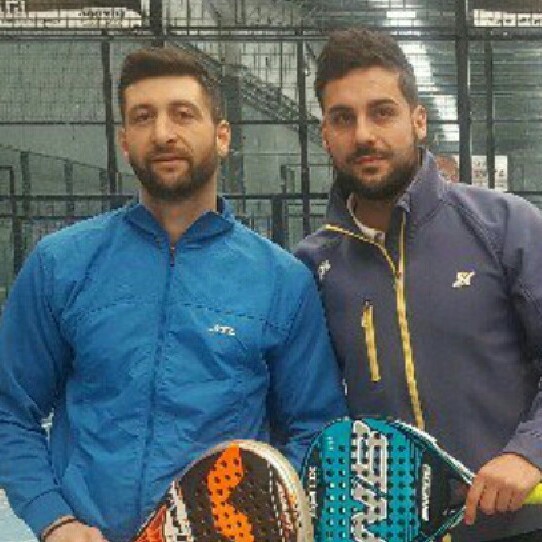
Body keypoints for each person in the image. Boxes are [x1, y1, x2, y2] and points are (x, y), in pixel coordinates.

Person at [0, 47, 347, 542]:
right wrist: (54, 520)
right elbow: (10, 409)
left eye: (183, 114)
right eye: (143, 117)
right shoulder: (61, 263)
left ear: (222, 136)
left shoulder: (283, 281)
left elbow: (316, 430)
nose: (163, 133)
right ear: (124, 142)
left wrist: (250, 521)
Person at [295, 28, 542, 542]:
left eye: (382, 112)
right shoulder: (311, 266)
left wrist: (528, 451)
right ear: (325, 135)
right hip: (389, 533)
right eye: (343, 118)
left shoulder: (506, 227)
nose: (364, 135)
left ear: (418, 120)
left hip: (515, 527)